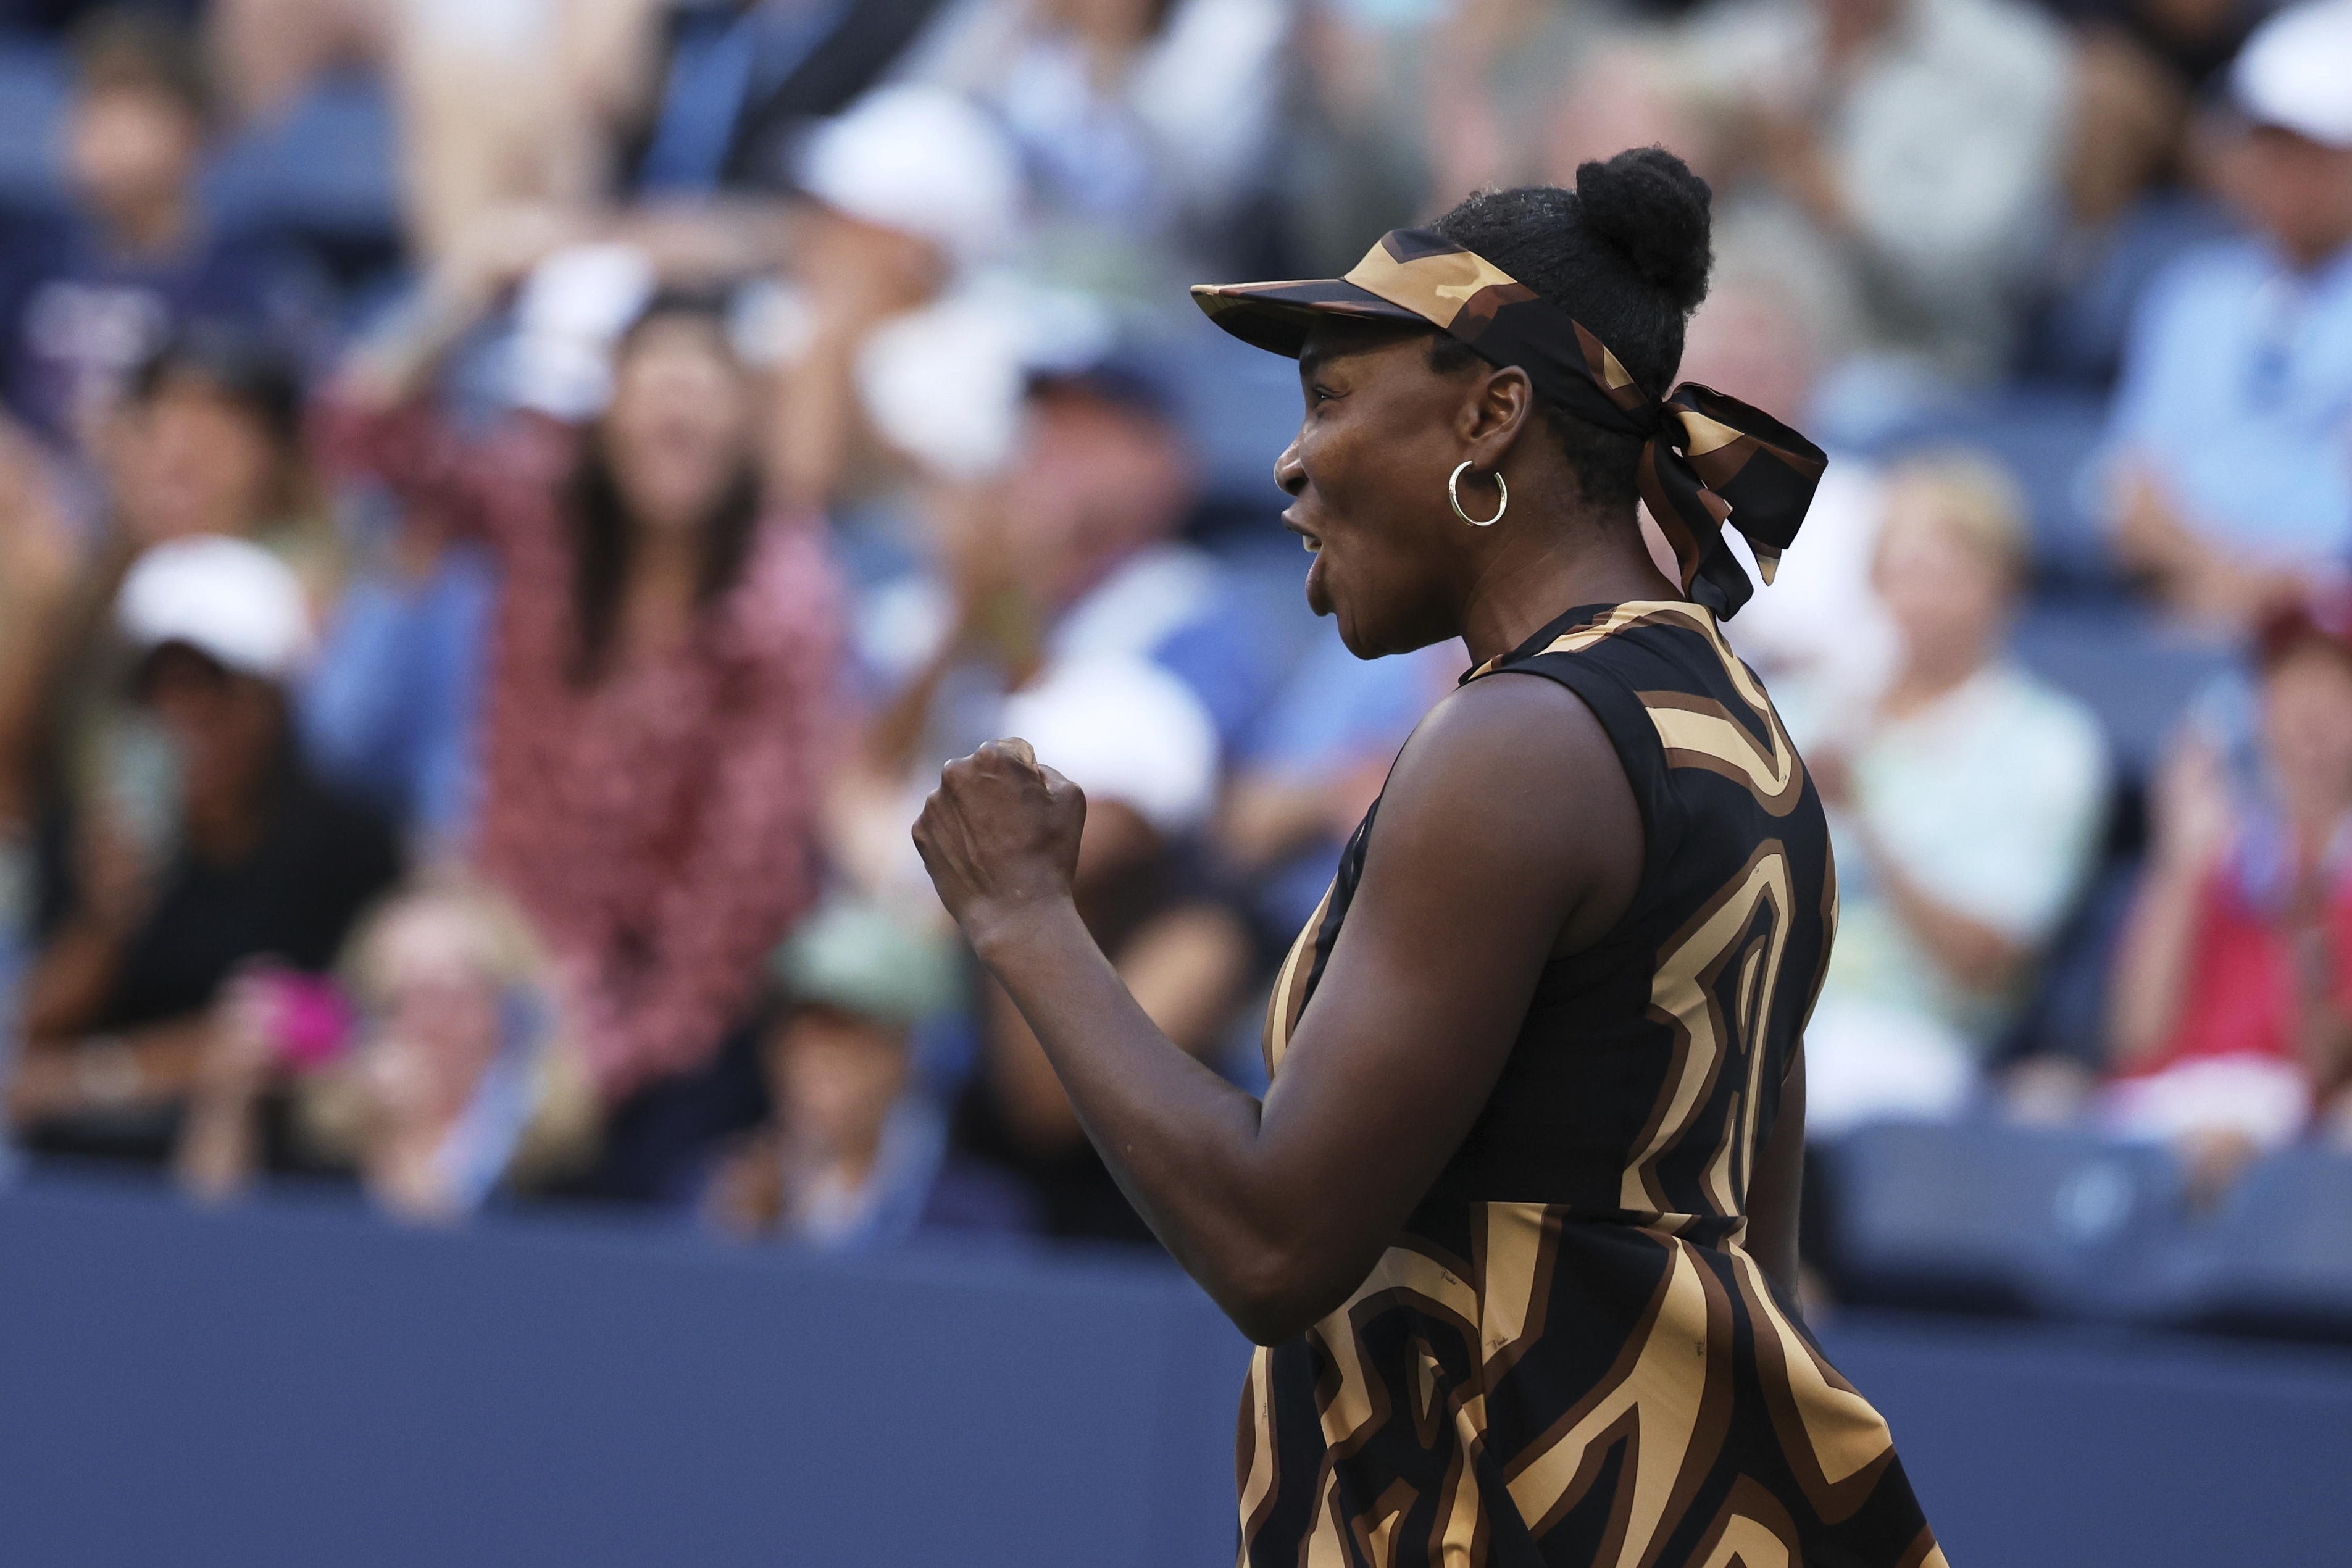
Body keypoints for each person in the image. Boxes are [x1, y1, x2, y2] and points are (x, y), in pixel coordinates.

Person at [914, 151, 1940, 1564]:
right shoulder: (1738, 730)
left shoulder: (1517, 743)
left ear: (1490, 412)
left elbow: (1274, 1241)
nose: (1289, 459)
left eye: (1332, 396)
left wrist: (1024, 914)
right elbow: (1749, 1253)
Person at [319, 287, 843, 1203]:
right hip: (496, 964)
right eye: (652, 390)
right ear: (607, 414)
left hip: (653, 1039)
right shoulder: (542, 513)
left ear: (745, 421)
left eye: (702, 393)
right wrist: (473, 282)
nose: (675, 415)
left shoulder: (782, 600)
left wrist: (596, 1061)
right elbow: (361, 434)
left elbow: (739, 888)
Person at [7, 535, 401, 1165]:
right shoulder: (94, 832)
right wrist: (106, 918)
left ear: (272, 701)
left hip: (278, 1166)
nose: (182, 715)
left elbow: (324, 1029)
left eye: (212, 690)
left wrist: (94, 1079)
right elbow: (31, 1035)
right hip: (91, 1165)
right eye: (157, 691)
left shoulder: (351, 845)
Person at [1798, 456, 2111, 1133]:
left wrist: (1864, 820)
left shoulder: (2050, 745)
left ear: (2005, 588)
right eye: (1904, 570)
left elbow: (1984, 964)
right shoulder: (1805, 710)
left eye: (1949, 572)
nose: (1922, 596)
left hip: (1908, 1035)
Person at [2099, 0, 2352, 630]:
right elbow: (2134, 490)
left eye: (2316, 152)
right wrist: (2219, 577)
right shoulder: (2191, 294)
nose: (2288, 175)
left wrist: (2274, 591)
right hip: (2183, 606)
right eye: (2271, 147)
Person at [2105, 591, 2352, 1199]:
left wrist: (2305, 926)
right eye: (2292, 688)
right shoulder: (2213, 845)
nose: (2311, 717)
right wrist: (2179, 866)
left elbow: (2324, 1069)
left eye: (2335, 692)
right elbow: (2135, 1036)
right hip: (2163, 1104)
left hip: (2285, 1121)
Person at [0, 7, 321, 472]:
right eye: (91, 104)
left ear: (194, 132)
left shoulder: (248, 281)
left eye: (129, 106)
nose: (100, 131)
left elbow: (293, 433)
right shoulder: (30, 258)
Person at [177, 875, 599, 1219]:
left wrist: (408, 1145)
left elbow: (449, 1294)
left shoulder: (558, 1164)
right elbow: (206, 1253)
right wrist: (225, 1102)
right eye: (401, 1000)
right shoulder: (323, 1144)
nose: (429, 1023)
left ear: (510, 1013)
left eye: (453, 994)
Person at [703, 896, 1035, 1248]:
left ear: (905, 1055)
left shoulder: (978, 1221)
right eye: (805, 1031)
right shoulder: (709, 1196)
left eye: (852, 1031)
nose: (822, 1057)